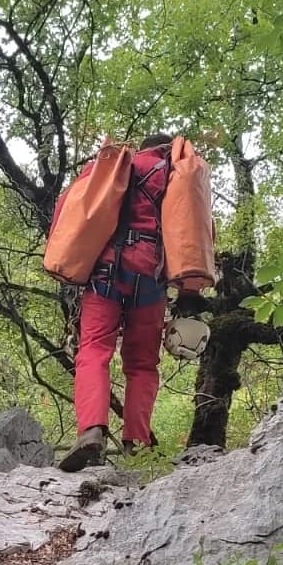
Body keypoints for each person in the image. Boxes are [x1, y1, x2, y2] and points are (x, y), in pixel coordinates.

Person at [55, 134, 203, 471]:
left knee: (93, 349)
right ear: (168, 150)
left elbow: (71, 208)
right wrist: (189, 295)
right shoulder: (179, 176)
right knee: (142, 364)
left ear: (143, 148)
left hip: (106, 273)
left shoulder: (113, 168)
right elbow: (191, 235)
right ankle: (137, 440)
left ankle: (92, 429)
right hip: (151, 281)